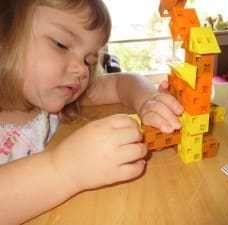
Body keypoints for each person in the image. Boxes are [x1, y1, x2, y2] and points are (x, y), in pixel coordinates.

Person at [0, 1, 184, 224]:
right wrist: (64, 170)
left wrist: (148, 102)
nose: (81, 69)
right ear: (5, 35)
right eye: (61, 44)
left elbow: (120, 83)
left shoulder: (52, 99)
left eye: (89, 60)